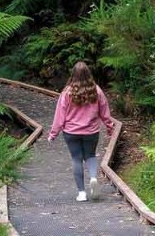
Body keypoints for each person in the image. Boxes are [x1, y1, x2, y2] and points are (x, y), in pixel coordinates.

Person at [46, 61, 115, 202]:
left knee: (76, 159)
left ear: (73, 75)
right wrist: (109, 126)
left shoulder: (67, 92)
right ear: (88, 74)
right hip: (91, 132)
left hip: (71, 132)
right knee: (90, 155)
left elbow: (60, 115)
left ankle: (82, 193)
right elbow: (104, 111)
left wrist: (53, 133)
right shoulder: (96, 90)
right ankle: (93, 177)